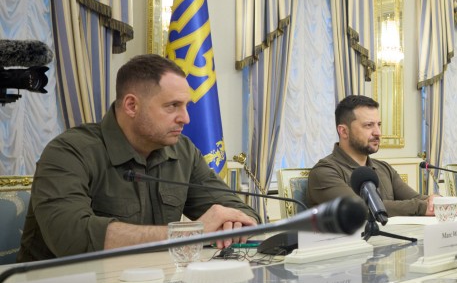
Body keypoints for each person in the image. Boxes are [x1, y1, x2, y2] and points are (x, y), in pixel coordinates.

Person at [18, 55, 259, 262]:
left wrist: (236, 223)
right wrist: (190, 234)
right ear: (132, 106)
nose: (185, 118)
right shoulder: (68, 151)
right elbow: (71, 237)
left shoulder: (183, 151)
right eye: (173, 106)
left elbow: (239, 210)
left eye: (186, 106)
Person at [307, 95, 432, 216]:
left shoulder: (384, 168)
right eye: (368, 125)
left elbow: (418, 199)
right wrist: (421, 207)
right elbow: (358, 208)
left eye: (379, 124)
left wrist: (434, 200)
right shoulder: (324, 172)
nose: (378, 132)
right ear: (344, 131)